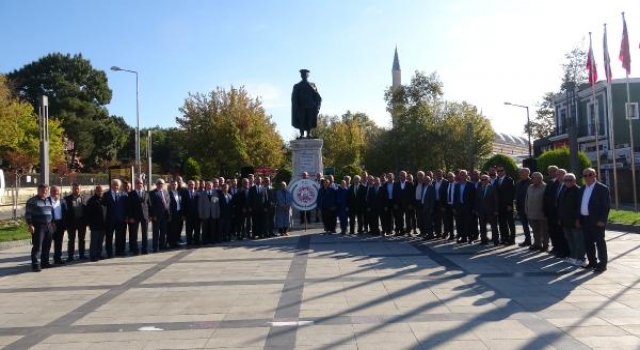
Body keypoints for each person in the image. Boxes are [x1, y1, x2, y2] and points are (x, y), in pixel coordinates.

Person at [579, 168, 611, 273]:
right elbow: (579, 205)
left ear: (595, 175)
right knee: (588, 242)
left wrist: (602, 220)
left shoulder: (602, 188)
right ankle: (592, 261)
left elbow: (605, 206)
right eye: (585, 175)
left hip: (597, 220)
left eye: (590, 175)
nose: (588, 177)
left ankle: (602, 264)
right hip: (585, 219)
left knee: (599, 242)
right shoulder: (582, 188)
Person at [557, 173, 585, 267]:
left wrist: (578, 220)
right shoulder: (564, 190)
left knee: (578, 240)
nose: (567, 182)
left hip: (574, 221)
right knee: (570, 240)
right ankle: (573, 256)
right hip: (565, 220)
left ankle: (580, 258)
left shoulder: (578, 190)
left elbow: (579, 207)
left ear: (574, 181)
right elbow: (561, 205)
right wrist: (560, 218)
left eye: (569, 180)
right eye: (565, 180)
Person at [25, 184, 54, 272]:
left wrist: (52, 223)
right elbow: (28, 214)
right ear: (38, 190)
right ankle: (36, 264)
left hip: (48, 225)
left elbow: (50, 212)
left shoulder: (48, 200)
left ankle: (45, 262)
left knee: (47, 245)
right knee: (37, 246)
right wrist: (30, 224)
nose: (44, 192)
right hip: (38, 226)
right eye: (42, 190)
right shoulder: (32, 201)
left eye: (45, 190)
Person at [291, 69, 322, 138]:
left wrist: (317, 107)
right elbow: (294, 98)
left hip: (311, 106)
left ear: (308, 75)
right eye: (303, 74)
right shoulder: (297, 86)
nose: (304, 75)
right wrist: (296, 107)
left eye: (305, 74)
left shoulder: (312, 85)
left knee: (309, 120)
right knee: (301, 121)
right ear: (301, 75)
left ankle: (308, 134)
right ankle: (301, 134)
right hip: (301, 106)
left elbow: (317, 97)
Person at [104, 179, 128, 257]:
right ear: (111, 185)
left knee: (120, 237)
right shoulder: (106, 195)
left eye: (117, 185)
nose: (115, 186)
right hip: (110, 220)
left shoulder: (124, 195)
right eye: (114, 184)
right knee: (109, 237)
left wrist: (126, 217)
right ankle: (109, 252)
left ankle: (120, 251)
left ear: (120, 186)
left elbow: (126, 207)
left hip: (120, 220)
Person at [63, 182, 87, 261]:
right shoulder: (67, 199)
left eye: (78, 188)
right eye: (74, 189)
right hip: (71, 222)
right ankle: (70, 256)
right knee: (71, 240)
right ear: (72, 189)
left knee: (82, 239)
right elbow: (65, 212)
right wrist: (66, 223)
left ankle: (82, 255)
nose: (76, 190)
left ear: (80, 189)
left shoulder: (84, 198)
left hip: (82, 222)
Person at [127, 178, 150, 254]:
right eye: (137, 183)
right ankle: (135, 249)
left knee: (145, 234)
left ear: (143, 184)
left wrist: (150, 215)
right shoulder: (131, 194)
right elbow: (129, 207)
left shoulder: (146, 193)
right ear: (135, 184)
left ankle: (144, 249)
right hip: (135, 217)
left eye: (140, 183)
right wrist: (130, 217)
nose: (139, 184)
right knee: (134, 234)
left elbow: (149, 205)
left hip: (145, 216)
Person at [526, 172, 548, 251]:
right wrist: (527, 210)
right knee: (535, 231)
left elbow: (547, 201)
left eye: (533, 178)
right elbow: (527, 199)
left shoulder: (545, 187)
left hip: (542, 214)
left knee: (544, 231)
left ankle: (545, 245)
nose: (531, 179)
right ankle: (537, 244)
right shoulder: (530, 187)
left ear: (540, 178)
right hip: (531, 213)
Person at [475, 174, 499, 246]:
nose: (483, 181)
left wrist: (496, 210)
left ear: (488, 180)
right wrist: (477, 209)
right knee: (482, 226)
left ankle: (495, 241)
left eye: (485, 179)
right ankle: (483, 240)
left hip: (491, 210)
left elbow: (496, 200)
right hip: (481, 211)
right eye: (482, 179)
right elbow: (477, 200)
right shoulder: (479, 188)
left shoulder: (493, 187)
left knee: (493, 226)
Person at [495, 166, 516, 245]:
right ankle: (504, 238)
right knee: (502, 223)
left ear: (504, 171)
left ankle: (512, 239)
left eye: (501, 170)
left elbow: (512, 193)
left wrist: (510, 204)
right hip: (499, 206)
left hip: (508, 206)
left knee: (510, 223)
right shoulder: (496, 180)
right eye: (498, 171)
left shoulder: (509, 180)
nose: (500, 172)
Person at [86, 185, 107, 262]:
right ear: (95, 191)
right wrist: (88, 223)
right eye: (98, 191)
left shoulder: (104, 200)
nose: (100, 192)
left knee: (100, 241)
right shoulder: (91, 201)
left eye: (101, 191)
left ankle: (99, 254)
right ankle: (93, 255)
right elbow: (88, 213)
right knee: (94, 241)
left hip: (103, 224)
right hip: (94, 225)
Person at [149, 178, 170, 252]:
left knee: (163, 231)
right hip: (156, 215)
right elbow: (151, 205)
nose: (161, 185)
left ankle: (162, 245)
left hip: (164, 215)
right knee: (156, 232)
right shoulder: (152, 193)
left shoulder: (165, 192)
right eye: (159, 183)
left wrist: (168, 214)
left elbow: (167, 203)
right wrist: (153, 215)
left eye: (162, 183)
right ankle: (155, 247)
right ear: (156, 184)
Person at [515, 168, 532, 246]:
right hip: (521, 207)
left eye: (522, 172)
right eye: (520, 172)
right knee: (525, 226)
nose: (520, 174)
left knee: (534, 226)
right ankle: (527, 240)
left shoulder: (531, 182)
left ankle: (538, 242)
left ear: (528, 173)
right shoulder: (518, 182)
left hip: (530, 207)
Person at [49, 185, 66, 264]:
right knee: (47, 242)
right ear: (51, 192)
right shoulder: (47, 201)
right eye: (54, 191)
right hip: (50, 224)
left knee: (59, 242)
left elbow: (66, 213)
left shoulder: (62, 201)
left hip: (60, 224)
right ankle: (45, 260)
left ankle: (57, 258)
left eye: (57, 192)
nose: (56, 193)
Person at [168, 180, 186, 247]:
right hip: (172, 214)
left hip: (179, 213)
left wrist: (182, 214)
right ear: (170, 185)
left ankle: (175, 242)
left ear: (177, 185)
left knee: (177, 228)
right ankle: (171, 243)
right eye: (173, 184)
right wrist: (169, 214)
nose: (174, 185)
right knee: (171, 229)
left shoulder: (179, 193)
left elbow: (181, 203)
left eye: (175, 184)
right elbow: (168, 205)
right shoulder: (168, 193)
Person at [183, 180, 201, 246]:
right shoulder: (185, 193)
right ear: (188, 185)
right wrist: (184, 214)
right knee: (188, 230)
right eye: (190, 184)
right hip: (188, 215)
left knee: (197, 228)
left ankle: (197, 241)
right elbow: (183, 204)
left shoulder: (198, 193)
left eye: (192, 184)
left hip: (196, 215)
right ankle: (189, 242)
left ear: (194, 185)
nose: (191, 186)